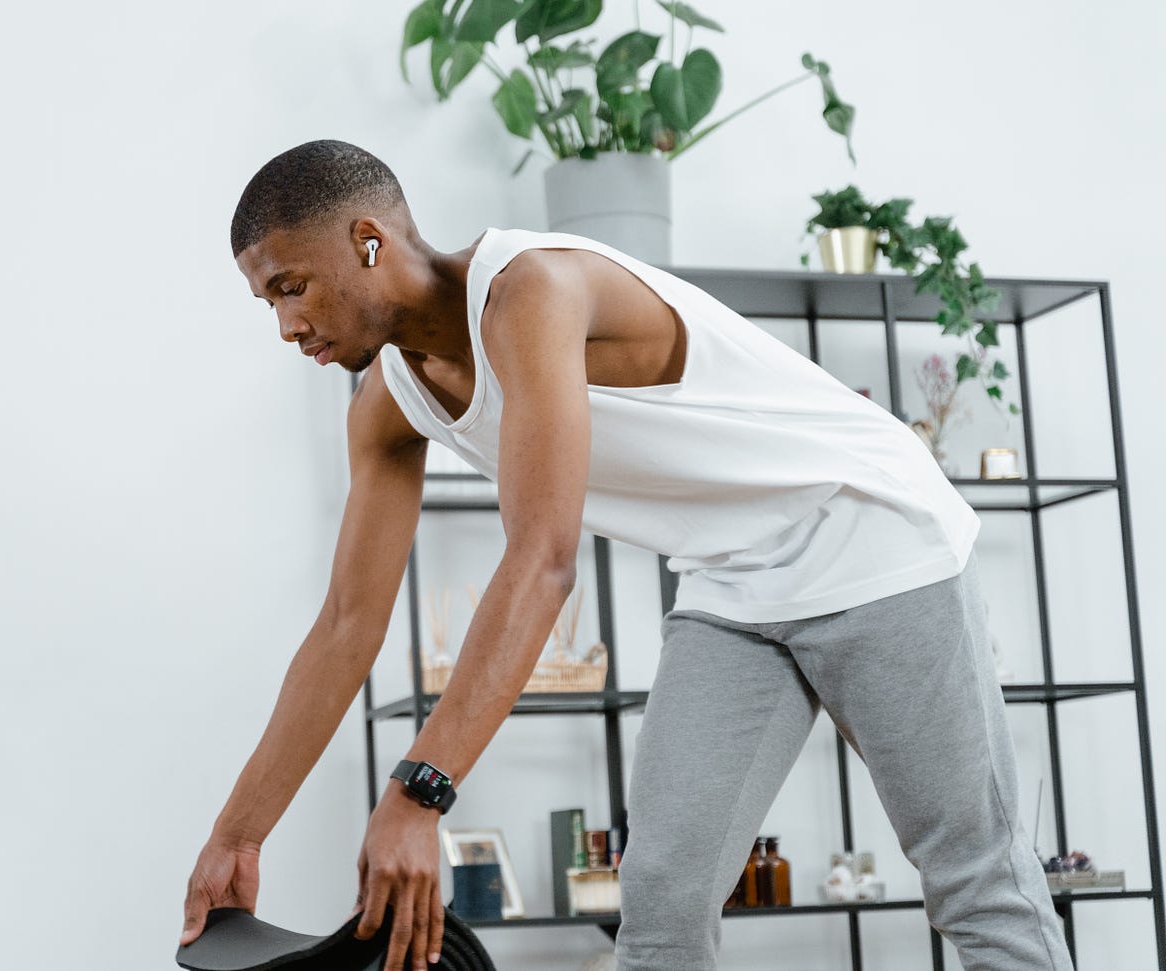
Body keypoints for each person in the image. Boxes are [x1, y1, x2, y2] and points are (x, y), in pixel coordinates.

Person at [178, 139, 1074, 971]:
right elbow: (346, 625)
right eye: (269, 301)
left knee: (974, 879)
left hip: (868, 532)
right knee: (661, 897)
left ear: (368, 240)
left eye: (291, 285)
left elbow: (543, 560)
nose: (287, 325)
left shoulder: (532, 290)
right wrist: (238, 836)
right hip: (733, 582)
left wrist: (419, 791)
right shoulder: (386, 400)